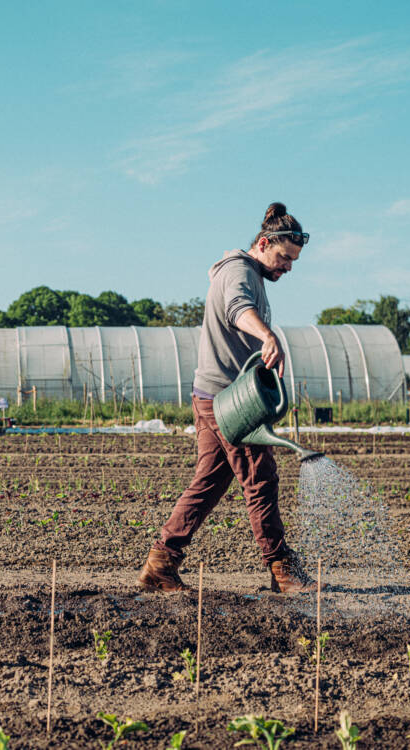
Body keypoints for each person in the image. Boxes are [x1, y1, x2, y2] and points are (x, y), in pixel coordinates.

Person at [138, 202, 317, 594]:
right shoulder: (238, 272)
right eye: (285, 258)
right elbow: (238, 310)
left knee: (210, 480)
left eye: (293, 261)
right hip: (226, 400)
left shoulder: (247, 272)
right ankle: (282, 569)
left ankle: (161, 563)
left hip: (212, 395)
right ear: (264, 243)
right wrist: (268, 336)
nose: (288, 267)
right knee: (261, 477)